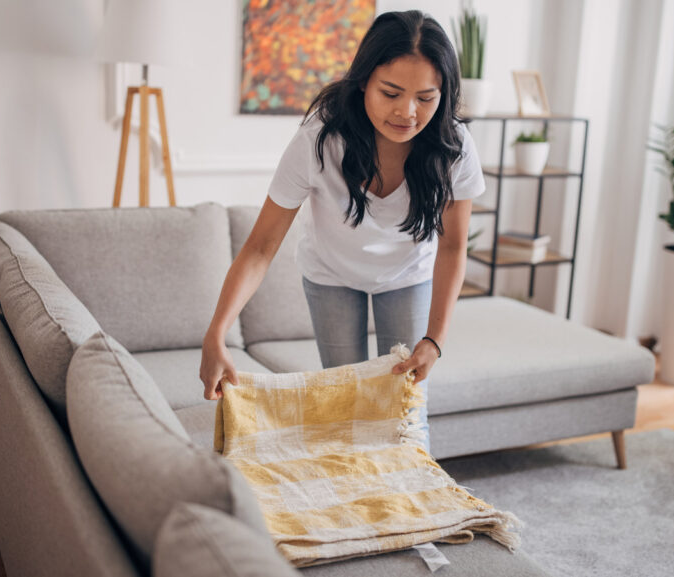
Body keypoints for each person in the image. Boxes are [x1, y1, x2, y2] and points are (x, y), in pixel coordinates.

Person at [199, 10, 484, 452]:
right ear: (365, 81)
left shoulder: (454, 147)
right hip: (330, 274)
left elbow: (452, 247)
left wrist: (434, 340)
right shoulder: (319, 139)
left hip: (407, 274)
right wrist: (216, 333)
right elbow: (260, 247)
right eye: (391, 93)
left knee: (405, 413)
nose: (408, 112)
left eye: (425, 98)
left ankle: (409, 504)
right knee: (345, 406)